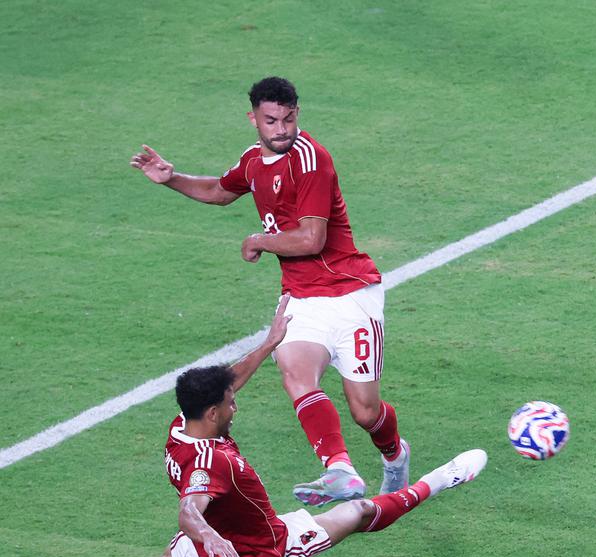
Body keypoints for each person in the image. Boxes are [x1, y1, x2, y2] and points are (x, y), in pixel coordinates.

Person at [66, 297, 487, 557]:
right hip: (267, 548)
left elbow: (227, 381)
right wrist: (210, 537)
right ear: (213, 412)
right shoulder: (210, 462)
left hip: (218, 538)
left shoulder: (184, 425)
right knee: (357, 512)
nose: (237, 404)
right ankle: (442, 478)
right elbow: (189, 509)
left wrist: (270, 342)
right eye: (230, 403)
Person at [130, 76, 408, 505]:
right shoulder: (253, 161)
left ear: (298, 113)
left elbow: (311, 239)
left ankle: (394, 456)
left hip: (350, 292)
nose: (281, 130)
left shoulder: (312, 161)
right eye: (271, 121)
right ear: (254, 119)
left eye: (289, 119)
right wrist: (170, 178)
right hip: (301, 296)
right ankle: (340, 469)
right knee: (295, 370)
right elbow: (221, 191)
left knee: (365, 411)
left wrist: (258, 240)